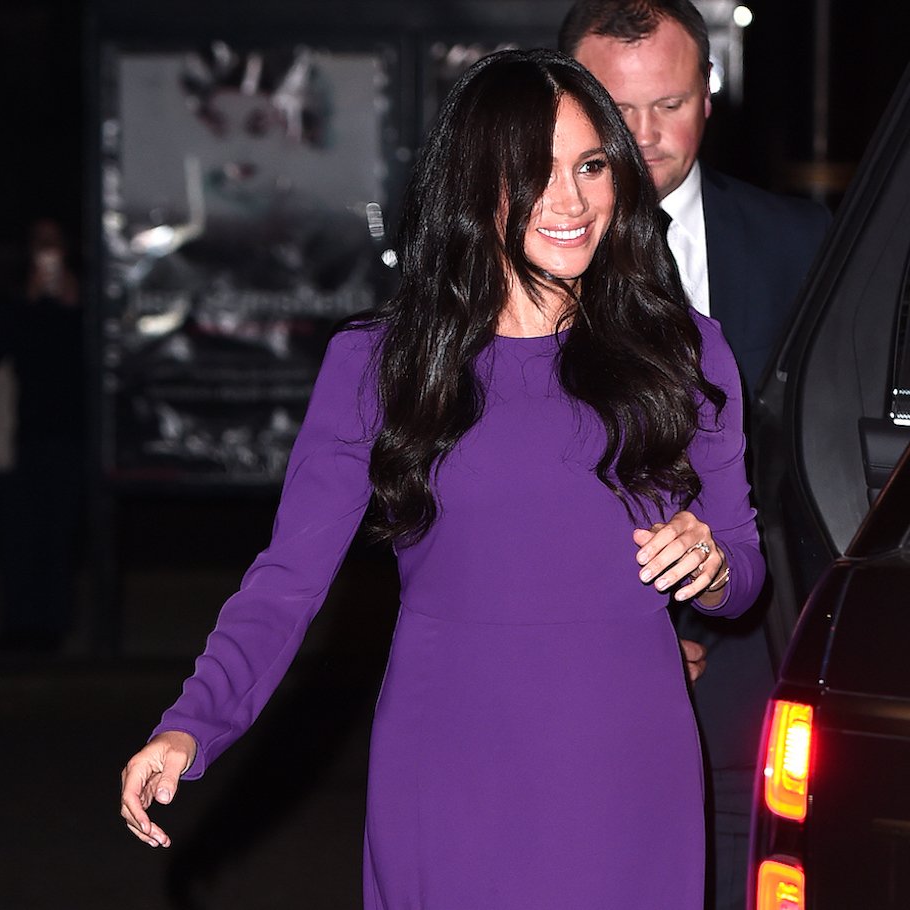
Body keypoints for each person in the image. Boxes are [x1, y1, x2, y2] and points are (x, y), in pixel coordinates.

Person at [120, 48, 765, 908]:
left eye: (589, 166)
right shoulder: (380, 364)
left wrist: (714, 565)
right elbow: (287, 581)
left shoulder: (682, 349)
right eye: (531, 174)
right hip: (451, 765)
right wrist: (193, 722)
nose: (570, 202)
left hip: (629, 766)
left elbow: (745, 574)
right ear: (473, 186)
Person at [559, 3, 830, 908]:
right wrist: (617, 628)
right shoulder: (521, 257)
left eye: (667, 104)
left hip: (753, 643)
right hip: (569, 650)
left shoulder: (803, 246)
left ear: (712, 94)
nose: (642, 137)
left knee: (743, 869)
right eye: (613, 109)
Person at [0, 217, 86, 652]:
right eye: (38, 241)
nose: (46, 249)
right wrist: (27, 301)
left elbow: (90, 358)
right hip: (18, 432)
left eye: (54, 239)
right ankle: (16, 625)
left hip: (67, 433)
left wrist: (75, 303)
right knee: (16, 533)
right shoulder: (12, 295)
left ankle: (51, 627)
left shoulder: (84, 292)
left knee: (57, 532)